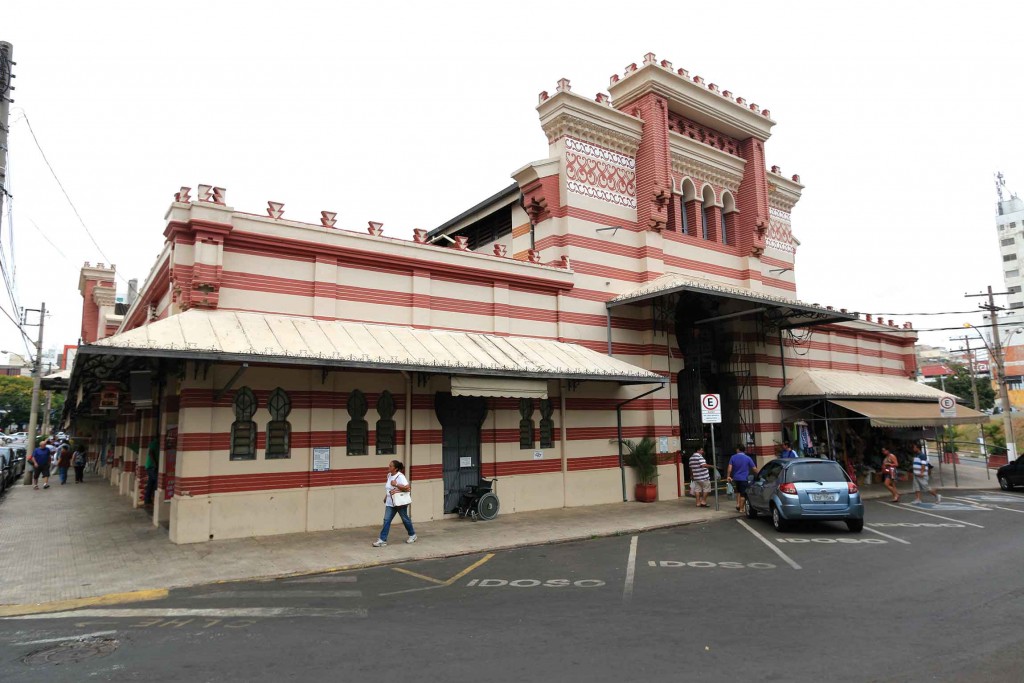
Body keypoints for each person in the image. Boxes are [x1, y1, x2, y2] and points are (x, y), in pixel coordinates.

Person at [372, 460, 417, 547]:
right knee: (386, 520)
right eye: (389, 465)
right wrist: (386, 496)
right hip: (390, 502)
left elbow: (407, 488)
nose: (388, 467)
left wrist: (396, 484)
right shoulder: (389, 475)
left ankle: (412, 535)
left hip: (399, 502)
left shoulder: (400, 476)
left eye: (391, 466)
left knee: (405, 519)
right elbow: (389, 488)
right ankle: (382, 540)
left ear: (396, 469)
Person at [726, 445, 758, 513]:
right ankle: (741, 508)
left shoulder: (733, 457)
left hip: (736, 478)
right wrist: (760, 474)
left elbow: (729, 468)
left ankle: (738, 504)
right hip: (744, 478)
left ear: (738, 449)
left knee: (738, 491)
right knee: (743, 494)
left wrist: (728, 476)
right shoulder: (748, 458)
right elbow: (754, 469)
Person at [144, 437, 159, 506]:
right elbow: (150, 453)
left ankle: (147, 499)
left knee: (151, 483)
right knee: (157, 481)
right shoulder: (155, 444)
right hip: (152, 467)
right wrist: (155, 463)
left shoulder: (154, 443)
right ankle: (155, 499)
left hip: (150, 467)